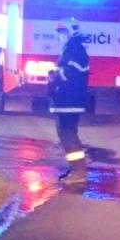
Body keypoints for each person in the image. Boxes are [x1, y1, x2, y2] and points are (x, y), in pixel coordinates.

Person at [49, 19, 91, 178]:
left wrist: (56, 74)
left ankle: (78, 173)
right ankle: (75, 170)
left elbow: (75, 74)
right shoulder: (70, 49)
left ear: (71, 32)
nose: (60, 35)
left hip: (70, 100)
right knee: (65, 134)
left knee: (68, 135)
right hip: (65, 100)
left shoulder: (76, 50)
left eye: (63, 32)